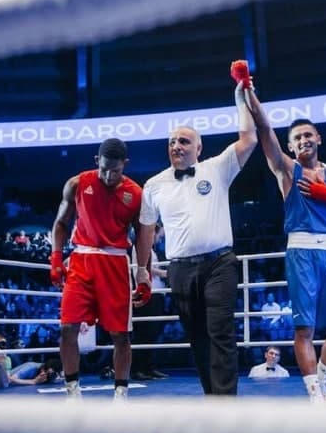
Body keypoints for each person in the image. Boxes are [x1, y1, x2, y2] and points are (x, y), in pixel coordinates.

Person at [134, 79, 258, 395]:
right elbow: (146, 228)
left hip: (219, 264)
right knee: (197, 337)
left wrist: (241, 98)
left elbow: (249, 139)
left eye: (184, 141)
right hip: (179, 269)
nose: (176, 145)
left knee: (221, 331)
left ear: (198, 148)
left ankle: (224, 403)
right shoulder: (154, 185)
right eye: (172, 141)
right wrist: (142, 271)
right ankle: (212, 395)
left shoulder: (217, 168)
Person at [246, 90, 326, 403]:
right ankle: (314, 393)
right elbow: (265, 130)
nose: (303, 140)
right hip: (301, 251)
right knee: (304, 329)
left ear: (318, 138)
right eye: (297, 138)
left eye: (308, 135)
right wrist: (248, 93)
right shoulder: (286, 169)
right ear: (290, 145)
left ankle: (322, 379)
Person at [50, 138, 148, 400]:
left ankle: (121, 394)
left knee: (120, 335)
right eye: (104, 169)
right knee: (67, 327)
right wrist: (56, 257)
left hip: (115, 263)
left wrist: (143, 274)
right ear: (97, 161)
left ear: (125, 164)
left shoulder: (136, 194)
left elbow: (142, 236)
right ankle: (72, 392)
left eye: (115, 170)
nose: (108, 176)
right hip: (81, 260)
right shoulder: (77, 183)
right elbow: (61, 223)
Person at [130, 223, 170, 381]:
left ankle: (149, 367)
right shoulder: (139, 247)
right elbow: (144, 268)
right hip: (146, 292)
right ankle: (138, 369)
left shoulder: (151, 250)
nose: (158, 238)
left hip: (156, 293)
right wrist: (164, 273)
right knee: (143, 332)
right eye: (157, 235)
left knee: (152, 333)